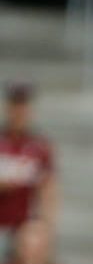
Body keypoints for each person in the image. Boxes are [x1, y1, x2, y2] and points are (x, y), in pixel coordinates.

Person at [0, 83, 57, 236]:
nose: (19, 113)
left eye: (23, 107)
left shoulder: (40, 147)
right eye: (15, 107)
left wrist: (46, 227)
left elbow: (49, 189)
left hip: (24, 231)